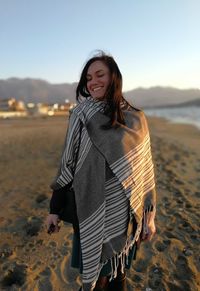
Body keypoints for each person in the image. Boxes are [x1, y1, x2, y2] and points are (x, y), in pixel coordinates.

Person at [46, 51, 156, 291]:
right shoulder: (81, 114)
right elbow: (68, 163)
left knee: (119, 273)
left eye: (99, 75)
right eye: (88, 77)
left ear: (113, 77)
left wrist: (149, 218)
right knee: (97, 279)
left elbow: (145, 171)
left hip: (123, 213)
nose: (93, 82)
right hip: (89, 207)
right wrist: (54, 210)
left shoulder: (136, 119)